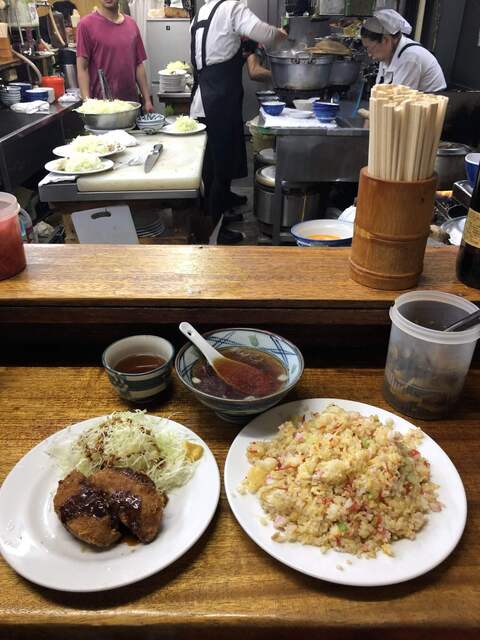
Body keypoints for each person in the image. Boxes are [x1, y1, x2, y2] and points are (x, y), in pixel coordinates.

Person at [190, 0, 286, 245]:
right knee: (219, 170)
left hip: (202, 98)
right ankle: (216, 230)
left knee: (212, 165)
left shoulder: (201, 13)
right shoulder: (232, 8)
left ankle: (219, 211)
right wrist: (281, 35)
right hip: (219, 99)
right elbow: (266, 34)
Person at [76, 0, 153, 111]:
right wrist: (87, 105)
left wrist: (147, 100)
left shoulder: (131, 24)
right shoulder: (86, 25)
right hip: (102, 108)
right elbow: (82, 68)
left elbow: (138, 64)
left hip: (131, 106)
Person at [361, 9, 446, 93]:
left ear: (386, 40)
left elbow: (398, 98)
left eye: (369, 48)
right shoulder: (387, 53)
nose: (369, 54)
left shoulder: (410, 57)